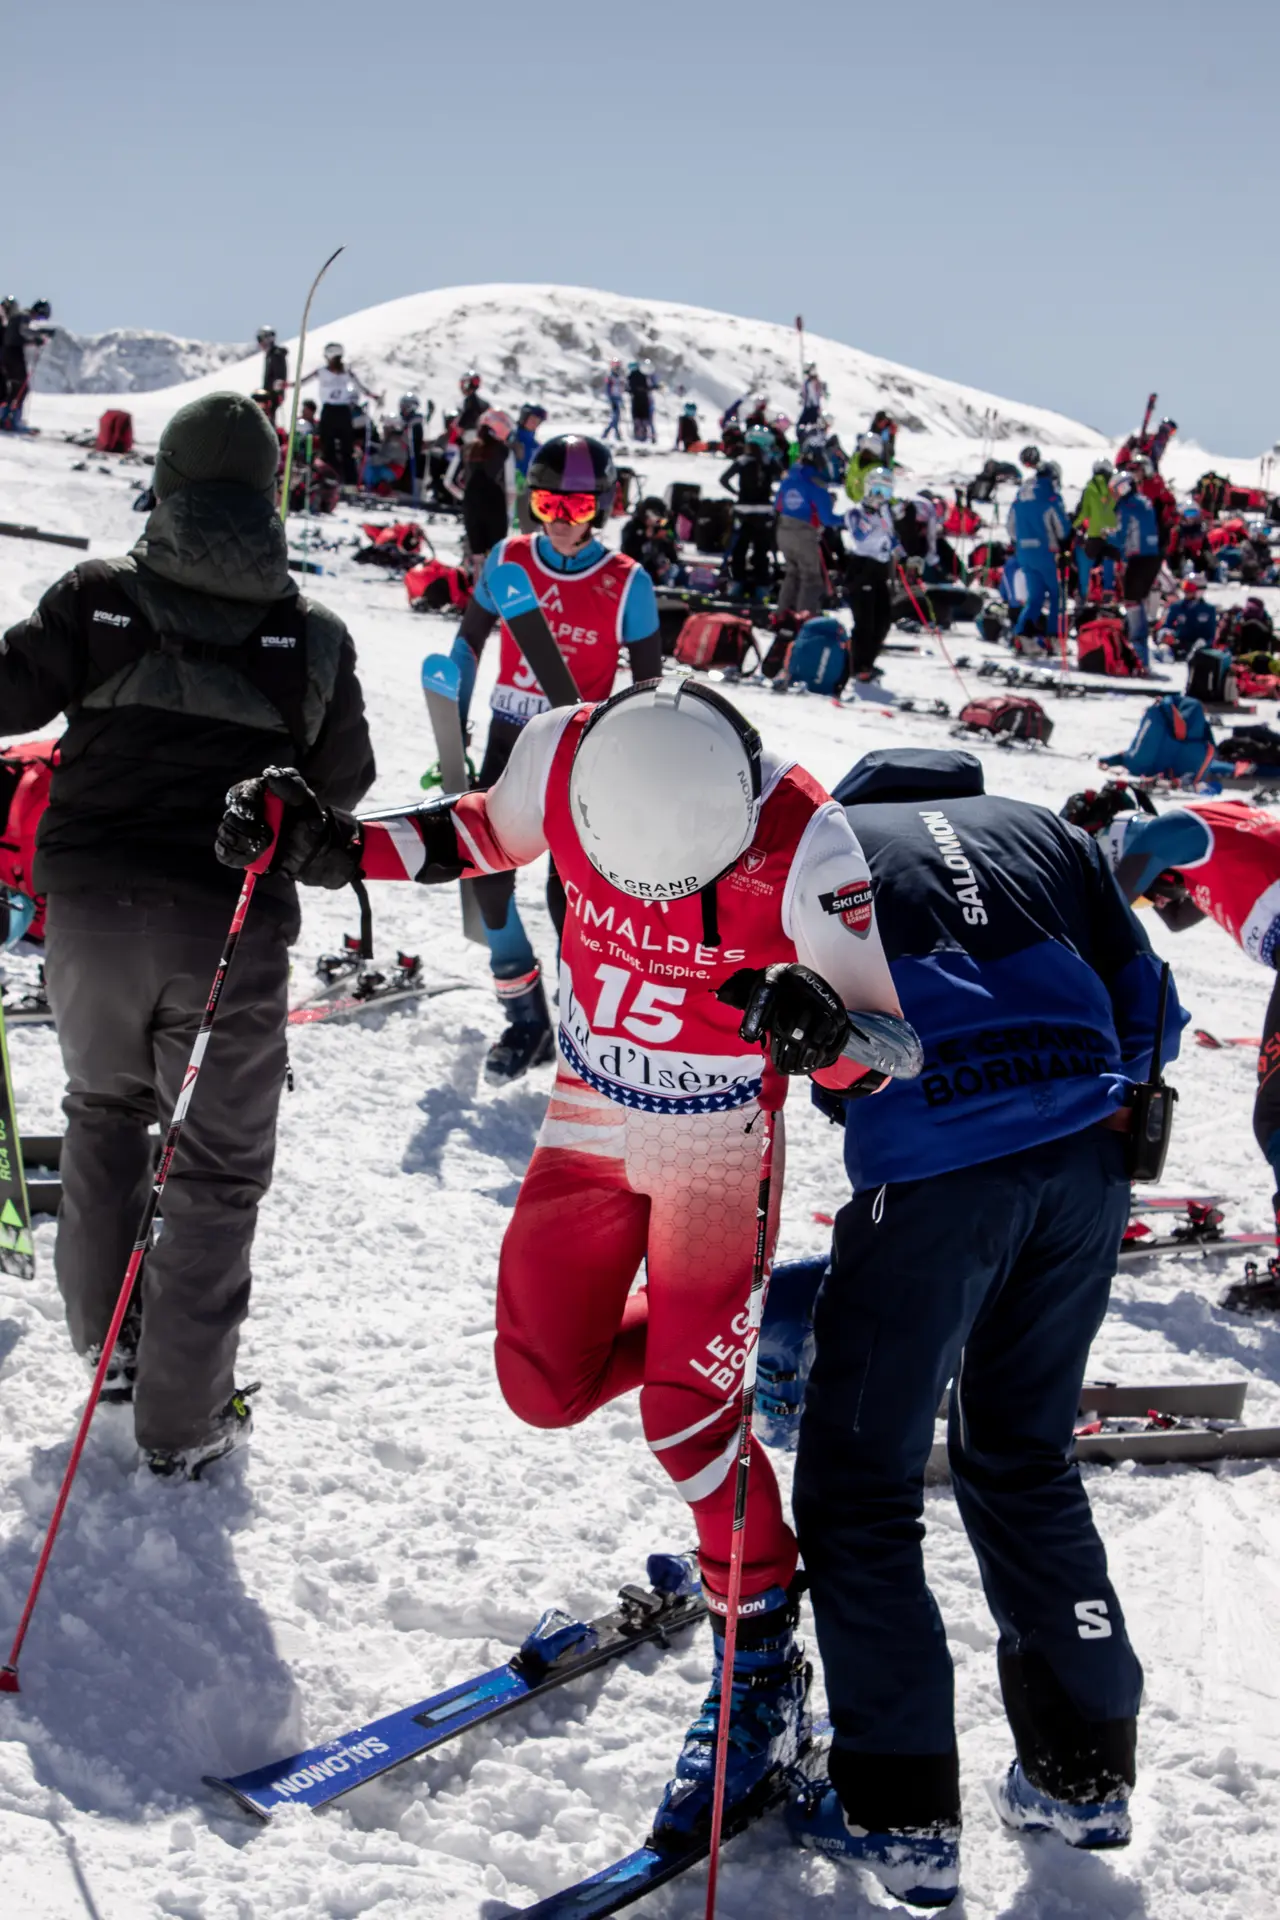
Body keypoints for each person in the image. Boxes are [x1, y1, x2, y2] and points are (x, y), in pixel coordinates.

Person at [215, 679, 914, 1842]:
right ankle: (751, 1330)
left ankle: (760, 1660)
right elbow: (475, 831)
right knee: (541, 1382)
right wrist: (334, 843)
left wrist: (828, 1036)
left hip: (714, 1156)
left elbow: (887, 1053)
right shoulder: (567, 748)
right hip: (587, 1125)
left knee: (688, 1430)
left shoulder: (809, 840)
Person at [769, 747, 1179, 1906]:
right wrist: (1081, 1099)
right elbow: (1150, 997)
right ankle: (1081, 1775)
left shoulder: (830, 844)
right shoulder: (1044, 828)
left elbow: (807, 1033)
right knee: (1021, 1454)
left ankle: (898, 1809)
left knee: (859, 1486)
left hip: (936, 1169)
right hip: (1085, 1160)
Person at [0, 391, 375, 1477]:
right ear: (268, 495)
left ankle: (108, 1349)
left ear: (165, 484)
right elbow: (343, 785)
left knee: (103, 1112)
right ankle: (182, 1419)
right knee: (214, 1167)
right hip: (228, 927)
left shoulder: (98, 597)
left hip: (90, 914)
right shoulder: (312, 636)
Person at [443, 434, 663, 1081]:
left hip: (577, 754)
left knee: (571, 896)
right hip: (508, 741)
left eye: (579, 507)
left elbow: (648, 693)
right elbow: (467, 644)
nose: (563, 522)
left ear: (604, 507)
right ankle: (527, 1020)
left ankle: (583, 1022)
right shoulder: (509, 560)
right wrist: (450, 724)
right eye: (548, 505)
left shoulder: (628, 583)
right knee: (486, 879)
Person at [1065, 781, 1280, 1309]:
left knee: (1278, 1115)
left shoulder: (1172, 829)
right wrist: (1160, 891)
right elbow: (1180, 915)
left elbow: (1103, 918)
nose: (1150, 900)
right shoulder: (1215, 833)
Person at [774, 434, 843, 617]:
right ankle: (804, 619)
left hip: (783, 530)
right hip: (803, 533)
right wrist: (847, 520)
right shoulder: (816, 483)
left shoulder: (789, 477)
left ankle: (782, 615)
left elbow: (778, 505)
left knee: (792, 573)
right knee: (811, 579)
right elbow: (827, 519)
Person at [843, 469, 901, 679]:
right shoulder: (856, 512)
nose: (880, 496)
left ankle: (868, 662)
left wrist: (896, 545)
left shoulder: (885, 513)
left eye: (885, 491)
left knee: (883, 620)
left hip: (880, 568)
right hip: (862, 567)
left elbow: (891, 539)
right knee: (864, 620)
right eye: (877, 490)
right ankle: (857, 665)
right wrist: (875, 518)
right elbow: (860, 537)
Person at [299, 342, 381, 485]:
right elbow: (361, 387)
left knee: (342, 448)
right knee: (333, 448)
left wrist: (372, 395)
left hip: (336, 411)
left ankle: (346, 482)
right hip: (337, 411)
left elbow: (360, 387)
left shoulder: (342, 371)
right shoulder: (329, 371)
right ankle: (336, 480)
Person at [1006, 464, 1070, 647]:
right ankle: (1053, 638)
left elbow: (1010, 528)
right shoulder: (1051, 497)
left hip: (1024, 553)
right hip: (1047, 553)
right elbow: (1062, 529)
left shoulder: (1020, 497)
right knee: (1058, 596)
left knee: (1035, 598)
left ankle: (1022, 635)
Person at [446, 409, 516, 577]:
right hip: (496, 506)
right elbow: (511, 488)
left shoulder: (465, 449)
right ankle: (492, 590)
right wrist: (509, 513)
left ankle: (475, 591)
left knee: (476, 556)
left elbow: (448, 481)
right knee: (495, 557)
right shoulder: (505, 452)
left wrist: (465, 497)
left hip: (472, 506)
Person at [720, 427, 779, 596]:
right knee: (761, 550)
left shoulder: (742, 461)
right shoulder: (770, 462)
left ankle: (737, 582)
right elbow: (783, 477)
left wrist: (737, 493)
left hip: (743, 510)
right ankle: (761, 586)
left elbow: (723, 479)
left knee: (740, 548)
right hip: (764, 512)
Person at [1112, 473, 1161, 667]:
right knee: (1138, 601)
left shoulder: (1127, 506)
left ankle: (1138, 652)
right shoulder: (1144, 502)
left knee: (1132, 601)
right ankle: (1140, 652)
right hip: (1152, 557)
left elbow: (1122, 534)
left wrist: (1105, 539)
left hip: (1138, 558)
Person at [1072, 459, 1118, 598]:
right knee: (1110, 557)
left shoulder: (1089, 488)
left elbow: (1081, 513)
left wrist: (1074, 527)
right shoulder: (1114, 489)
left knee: (1083, 556)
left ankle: (1085, 591)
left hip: (1090, 535)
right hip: (1110, 534)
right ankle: (1108, 589)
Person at [1159, 576, 1217, 657]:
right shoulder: (1176, 607)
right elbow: (1167, 625)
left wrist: (1204, 644)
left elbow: (1211, 635)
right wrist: (1166, 633)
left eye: (1190, 588)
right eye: (1185, 586)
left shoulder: (1209, 609)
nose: (1186, 591)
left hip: (1200, 648)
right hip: (1179, 645)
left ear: (1199, 590)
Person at [512, 402, 548, 529]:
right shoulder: (511, 440)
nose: (535, 423)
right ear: (524, 418)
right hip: (508, 489)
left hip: (529, 491)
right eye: (532, 419)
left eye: (538, 421)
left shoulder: (537, 446)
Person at [256, 327, 288, 421]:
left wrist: (276, 390)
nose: (259, 343)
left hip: (273, 395)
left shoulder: (276, 354)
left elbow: (279, 376)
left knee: (268, 418)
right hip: (268, 394)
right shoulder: (270, 355)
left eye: (260, 339)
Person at [627, 359, 656, 443]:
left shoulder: (632, 376)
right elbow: (649, 387)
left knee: (638, 418)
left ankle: (639, 435)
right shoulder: (643, 375)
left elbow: (630, 388)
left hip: (638, 400)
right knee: (644, 418)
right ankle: (644, 435)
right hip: (643, 399)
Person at [457, 369, 488, 442]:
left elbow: (467, 415)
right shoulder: (480, 402)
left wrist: (460, 426)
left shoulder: (470, 400)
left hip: (469, 434)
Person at [602, 359, 625, 440]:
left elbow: (621, 388)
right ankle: (613, 434)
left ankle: (611, 433)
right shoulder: (610, 377)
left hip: (618, 398)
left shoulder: (620, 377)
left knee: (617, 417)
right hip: (613, 398)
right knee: (615, 417)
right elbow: (607, 388)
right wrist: (609, 398)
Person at [798, 362, 825, 431]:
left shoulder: (813, 382)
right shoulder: (809, 382)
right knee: (803, 426)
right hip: (809, 407)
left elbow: (814, 395)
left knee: (806, 425)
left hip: (812, 408)